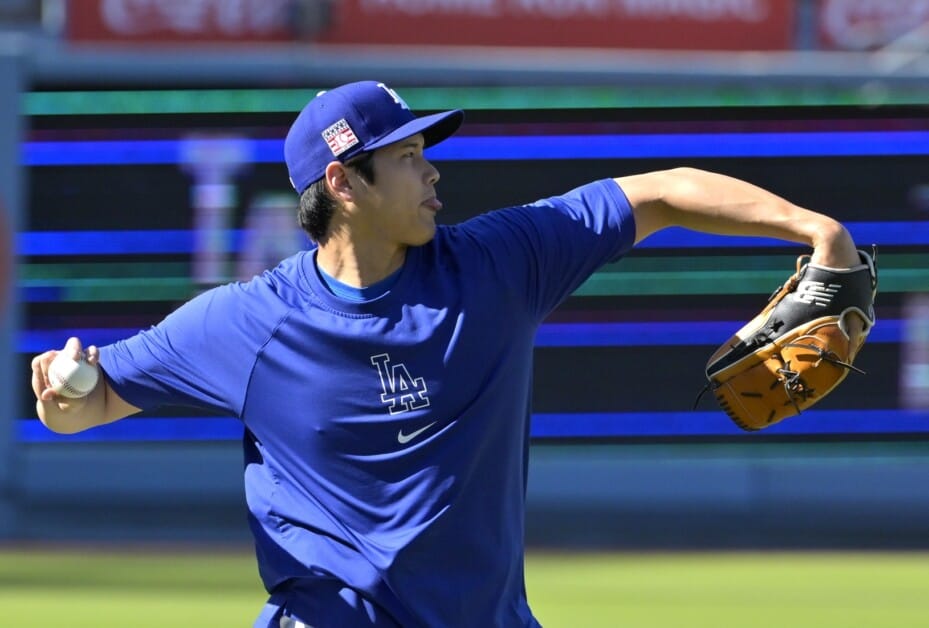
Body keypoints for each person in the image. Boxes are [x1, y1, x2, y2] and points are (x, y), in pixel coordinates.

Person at [31, 80, 867, 627]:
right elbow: (91, 400)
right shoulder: (249, 323)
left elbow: (660, 192)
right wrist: (62, 399)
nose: (432, 175)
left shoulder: (499, 263)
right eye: (406, 157)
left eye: (426, 153)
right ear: (342, 185)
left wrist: (817, 230)